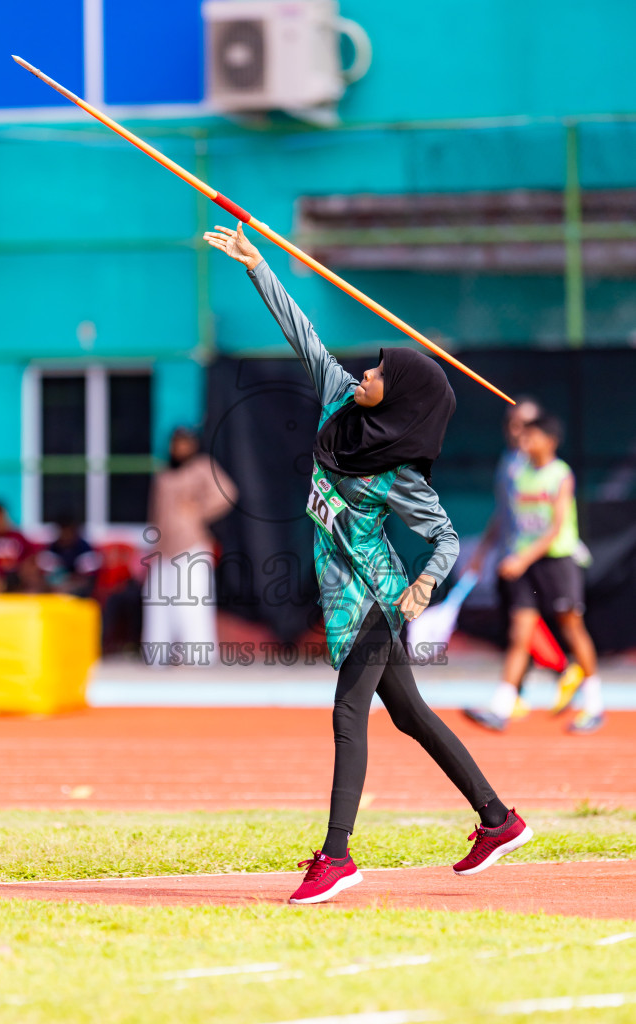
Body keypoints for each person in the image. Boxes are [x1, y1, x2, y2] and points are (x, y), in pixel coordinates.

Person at [203, 222, 533, 904]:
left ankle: (335, 856)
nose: (366, 372)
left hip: (376, 597)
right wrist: (256, 267)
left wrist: (419, 588)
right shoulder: (337, 398)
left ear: (403, 400)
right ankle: (497, 820)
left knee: (348, 714)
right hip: (342, 592)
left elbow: (444, 539)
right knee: (409, 713)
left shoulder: (399, 475)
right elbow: (302, 334)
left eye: (380, 371)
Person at [468, 414, 603, 735]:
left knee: (572, 628)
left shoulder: (560, 475)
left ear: (550, 441)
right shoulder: (518, 474)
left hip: (557, 561)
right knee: (520, 634)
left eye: (531, 437)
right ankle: (501, 707)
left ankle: (595, 705)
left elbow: (556, 528)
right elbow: (505, 515)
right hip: (524, 564)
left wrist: (522, 557)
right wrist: (489, 551)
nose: (524, 443)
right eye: (522, 438)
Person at [141, 427, 238, 666]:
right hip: (163, 549)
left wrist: (198, 511)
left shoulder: (202, 467)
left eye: (185, 443)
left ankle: (196, 656)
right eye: (177, 443)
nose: (180, 448)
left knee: (191, 600)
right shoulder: (164, 475)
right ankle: (159, 655)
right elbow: (155, 513)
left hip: (191, 546)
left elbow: (227, 493)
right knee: (159, 602)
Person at [37, 516, 102, 597]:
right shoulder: (52, 548)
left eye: (68, 531)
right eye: (63, 530)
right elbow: (45, 578)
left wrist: (68, 586)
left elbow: (88, 580)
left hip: (79, 592)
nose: (66, 535)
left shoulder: (85, 549)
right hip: (55, 589)